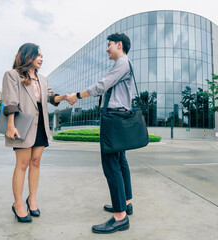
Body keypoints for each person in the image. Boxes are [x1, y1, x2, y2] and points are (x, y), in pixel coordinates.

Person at [67, 33, 134, 234]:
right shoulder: (124, 64)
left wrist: (77, 95)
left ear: (119, 45)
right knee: (121, 161)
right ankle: (126, 203)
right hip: (118, 117)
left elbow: (101, 86)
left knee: (111, 164)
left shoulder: (122, 63)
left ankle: (120, 217)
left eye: (109, 45)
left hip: (114, 117)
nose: (107, 49)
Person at [2, 43, 67, 223]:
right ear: (27, 56)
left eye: (42, 56)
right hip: (23, 124)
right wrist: (10, 125)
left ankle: (32, 200)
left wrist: (64, 97)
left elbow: (50, 97)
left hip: (41, 125)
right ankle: (17, 204)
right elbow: (10, 102)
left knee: (36, 162)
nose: (41, 59)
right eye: (38, 55)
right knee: (22, 164)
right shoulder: (12, 75)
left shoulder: (43, 79)